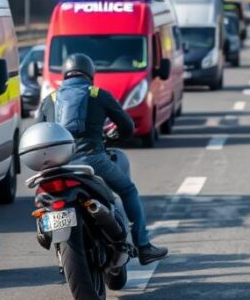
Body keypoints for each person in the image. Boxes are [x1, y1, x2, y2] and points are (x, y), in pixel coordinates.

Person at [36, 53, 168, 265]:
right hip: (92, 160)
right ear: (90, 75)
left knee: (43, 200)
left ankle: (44, 228)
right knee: (127, 190)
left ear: (65, 75)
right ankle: (143, 246)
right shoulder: (98, 94)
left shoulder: (49, 99)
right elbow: (127, 126)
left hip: (57, 167)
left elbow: (37, 133)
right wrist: (118, 137)